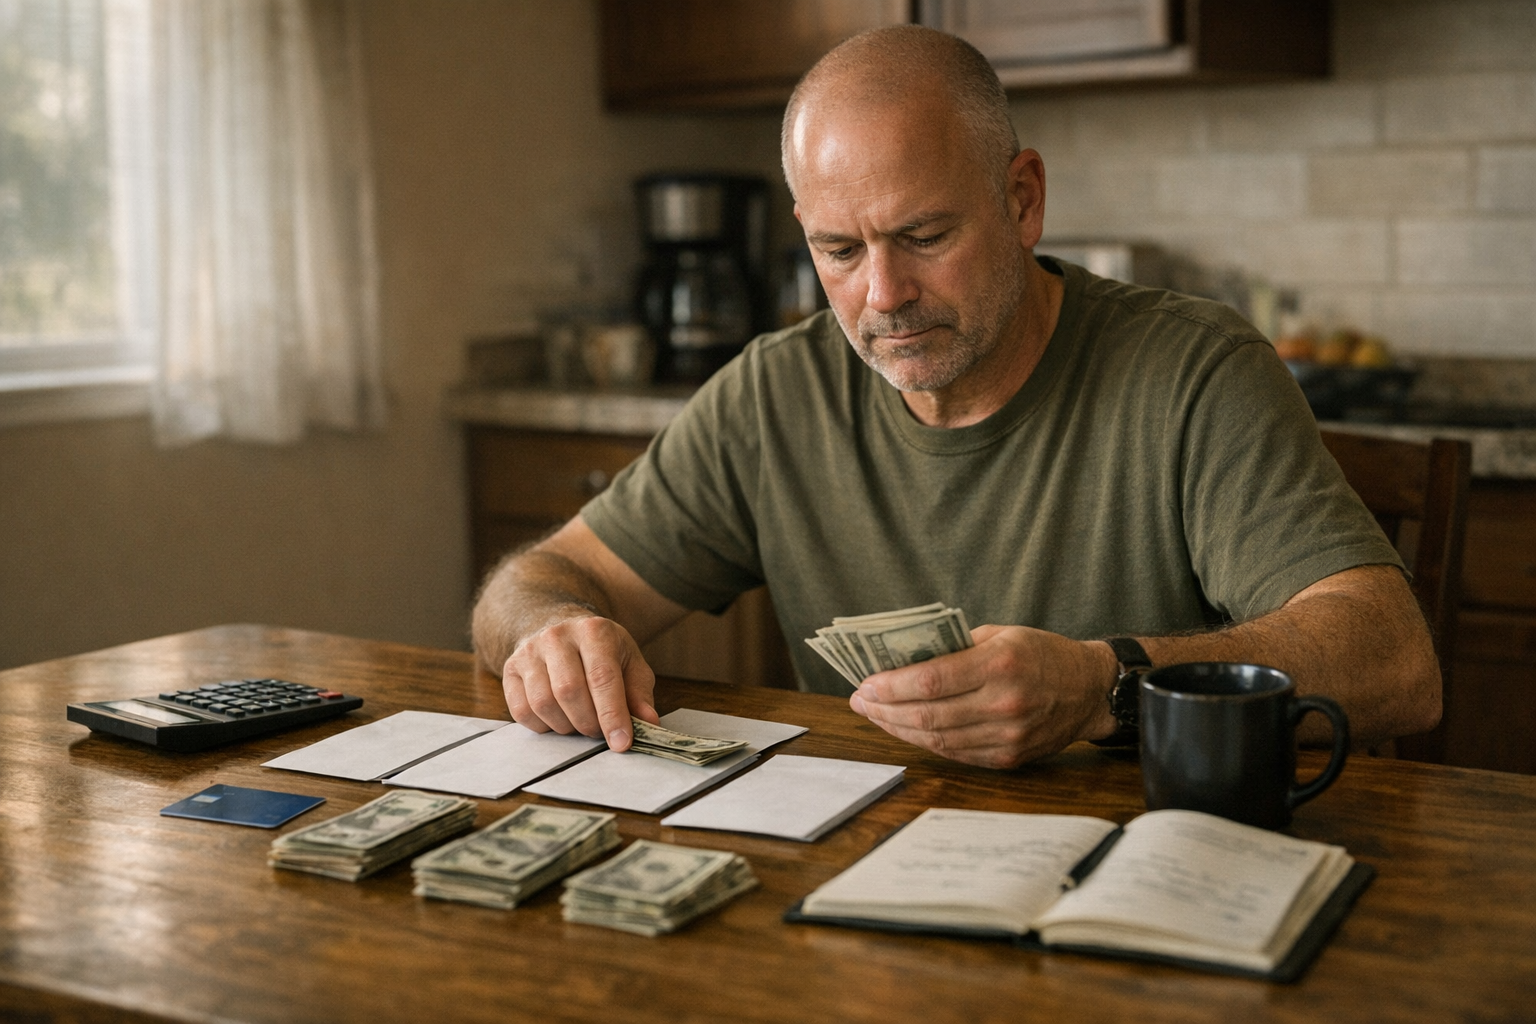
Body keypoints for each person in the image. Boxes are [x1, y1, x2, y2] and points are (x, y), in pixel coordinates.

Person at [471, 26, 1440, 769]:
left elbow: (1397, 664)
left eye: (924, 235)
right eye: (839, 252)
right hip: (862, 868)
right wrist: (553, 631)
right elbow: (531, 583)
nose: (882, 296)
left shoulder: (1193, 369)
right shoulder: (777, 391)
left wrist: (1108, 685)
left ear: (1022, 200)